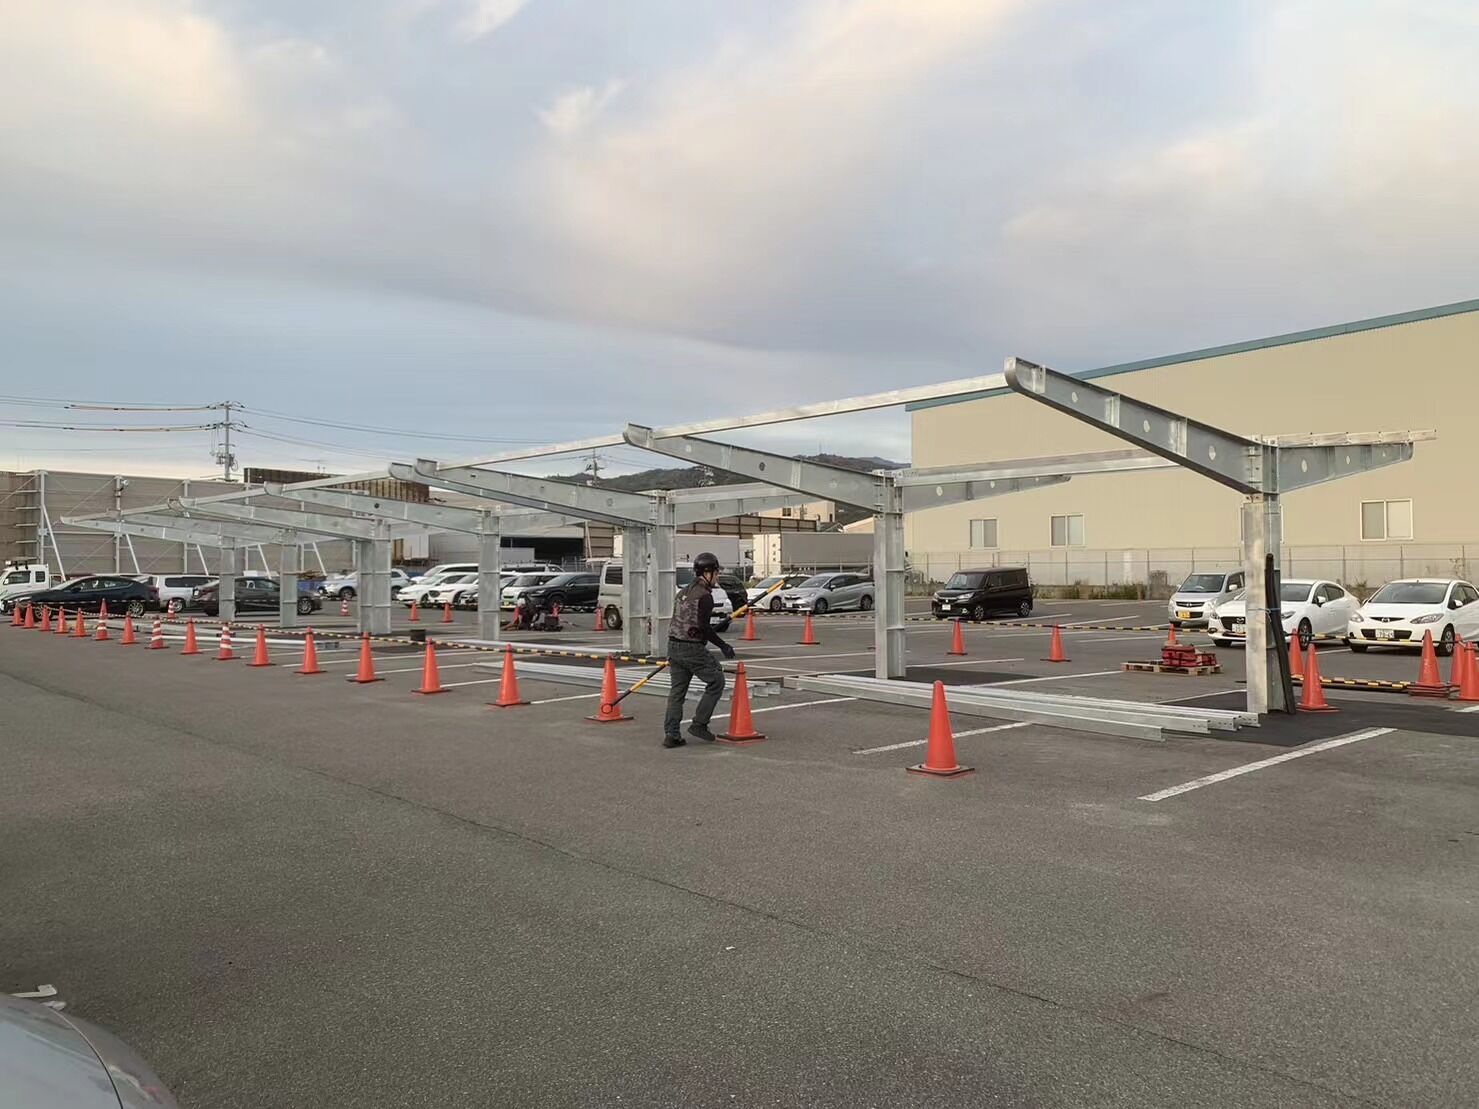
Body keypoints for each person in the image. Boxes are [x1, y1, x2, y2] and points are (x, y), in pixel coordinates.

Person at [663, 551, 736, 748]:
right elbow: (704, 628)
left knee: (677, 691)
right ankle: (699, 724)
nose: (718, 576)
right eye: (716, 572)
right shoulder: (705, 596)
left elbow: (690, 623)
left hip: (673, 645)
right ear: (707, 572)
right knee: (716, 681)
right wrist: (724, 645)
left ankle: (672, 734)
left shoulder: (682, 593)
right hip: (691, 648)